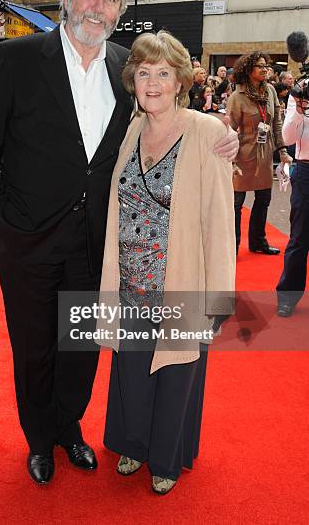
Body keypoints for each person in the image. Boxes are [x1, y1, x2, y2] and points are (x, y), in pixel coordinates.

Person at [0, 0, 239, 487]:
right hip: (28, 241)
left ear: (119, 9)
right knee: (34, 346)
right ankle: (39, 438)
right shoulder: (18, 60)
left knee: (82, 347)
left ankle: (70, 428)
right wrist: (5, 220)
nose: (98, 6)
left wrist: (220, 135)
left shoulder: (124, 69)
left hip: (96, 246)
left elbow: (165, 121)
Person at [97, 30, 235, 495]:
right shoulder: (133, 129)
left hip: (181, 281)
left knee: (176, 371)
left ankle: (167, 458)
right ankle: (133, 443)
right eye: (143, 73)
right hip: (132, 279)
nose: (152, 83)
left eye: (162, 73)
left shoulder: (208, 132)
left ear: (180, 81)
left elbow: (220, 221)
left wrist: (219, 298)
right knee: (133, 369)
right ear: (132, 79)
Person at [227, 52, 292, 255]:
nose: (265, 69)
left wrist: (282, 151)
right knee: (236, 204)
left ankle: (258, 242)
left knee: (263, 199)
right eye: (260, 66)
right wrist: (230, 161)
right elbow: (229, 131)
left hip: (264, 154)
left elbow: (276, 123)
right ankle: (233, 246)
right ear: (248, 70)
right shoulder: (237, 97)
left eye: (266, 66)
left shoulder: (270, 91)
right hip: (241, 154)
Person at [276, 91, 309, 317]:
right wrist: (298, 108)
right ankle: (287, 297)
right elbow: (287, 138)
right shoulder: (301, 91)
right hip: (306, 169)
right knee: (299, 237)